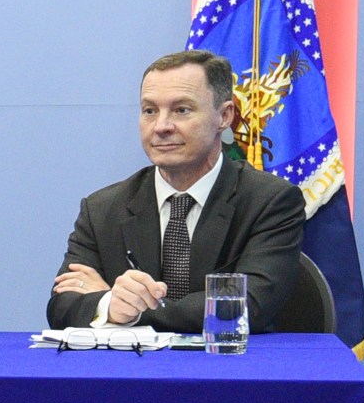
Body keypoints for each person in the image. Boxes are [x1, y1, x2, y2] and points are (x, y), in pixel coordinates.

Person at [47, 49, 306, 333]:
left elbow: (246, 307)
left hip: (227, 371)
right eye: (150, 111)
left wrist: (124, 309)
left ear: (224, 116)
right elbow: (62, 306)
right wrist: (110, 303)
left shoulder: (270, 201)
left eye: (181, 110)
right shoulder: (102, 208)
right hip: (131, 373)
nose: (161, 127)